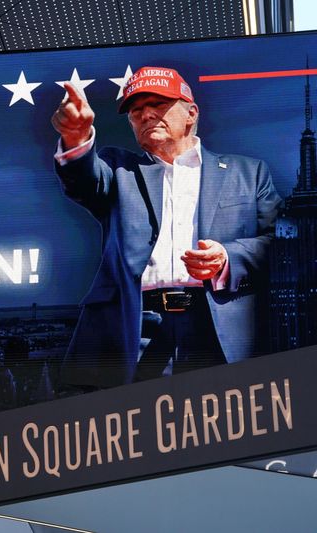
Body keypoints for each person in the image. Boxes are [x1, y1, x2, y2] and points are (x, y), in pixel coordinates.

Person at [51, 66, 283, 389]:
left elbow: (279, 243)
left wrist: (227, 258)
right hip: (135, 332)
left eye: (157, 105)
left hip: (216, 331)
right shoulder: (119, 171)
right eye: (135, 110)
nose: (145, 115)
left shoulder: (249, 174)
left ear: (191, 113)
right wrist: (75, 139)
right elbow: (84, 180)